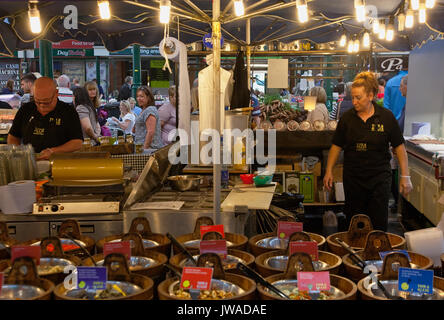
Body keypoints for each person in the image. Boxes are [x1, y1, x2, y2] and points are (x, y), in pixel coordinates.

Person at [323, 72, 412, 231]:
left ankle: (376, 253)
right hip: (353, 178)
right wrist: (329, 171)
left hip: (379, 178)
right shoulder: (347, 118)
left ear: (371, 95)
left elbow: (399, 147)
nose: (354, 101)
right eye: (353, 97)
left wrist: (405, 176)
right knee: (354, 221)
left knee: (377, 222)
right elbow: (336, 146)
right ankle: (355, 253)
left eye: (358, 97)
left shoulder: (386, 117)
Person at [7, 77, 83, 160]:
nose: (42, 105)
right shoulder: (25, 109)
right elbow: (13, 136)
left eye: (47, 102)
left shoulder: (69, 112)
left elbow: (77, 142)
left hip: (60, 164)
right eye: (38, 101)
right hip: (31, 163)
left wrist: (54, 151)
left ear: (56, 93)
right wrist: (18, 153)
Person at [134, 86, 163, 150]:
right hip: (142, 148)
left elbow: (150, 132)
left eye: (141, 96)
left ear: (148, 98)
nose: (138, 98)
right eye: (137, 96)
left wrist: (144, 149)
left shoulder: (150, 110)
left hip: (150, 149)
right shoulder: (144, 110)